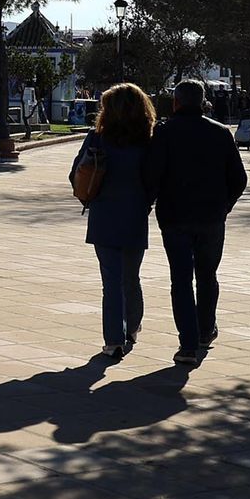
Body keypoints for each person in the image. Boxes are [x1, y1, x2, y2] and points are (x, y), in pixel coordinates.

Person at [145, 79, 249, 367]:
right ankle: (205, 330)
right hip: (211, 218)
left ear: (176, 102)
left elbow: (152, 177)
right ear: (203, 103)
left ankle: (187, 344)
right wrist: (224, 206)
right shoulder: (220, 133)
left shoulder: (163, 133)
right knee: (207, 275)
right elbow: (239, 179)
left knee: (181, 279)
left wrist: (147, 205)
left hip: (175, 217)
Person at [70, 83, 157, 359]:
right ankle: (131, 327)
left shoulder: (97, 139)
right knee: (131, 277)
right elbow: (156, 179)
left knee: (111, 280)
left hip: (104, 215)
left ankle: (113, 339)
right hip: (134, 214)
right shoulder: (149, 141)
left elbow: (76, 174)